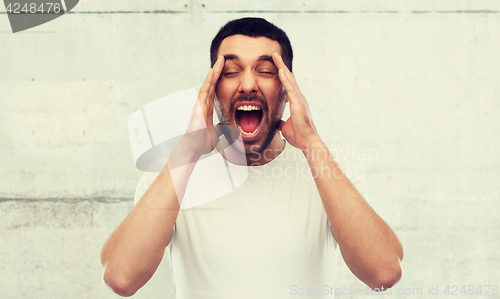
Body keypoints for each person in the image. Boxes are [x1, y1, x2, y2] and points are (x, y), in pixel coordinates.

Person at [100, 17, 403, 298]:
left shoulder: (329, 171)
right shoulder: (173, 174)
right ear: (213, 90)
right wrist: (188, 150)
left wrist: (312, 143)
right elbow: (122, 278)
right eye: (230, 72)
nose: (247, 85)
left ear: (287, 90)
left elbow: (383, 273)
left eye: (267, 71)